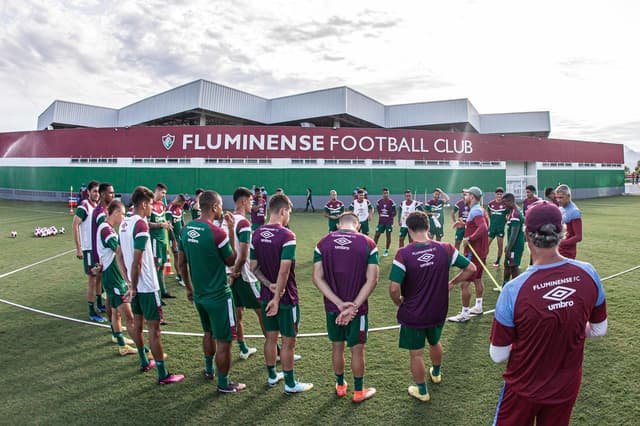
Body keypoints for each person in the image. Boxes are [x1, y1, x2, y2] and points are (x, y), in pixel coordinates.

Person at [490, 201, 607, 425]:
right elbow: (599, 329)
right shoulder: (588, 272)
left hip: (523, 389)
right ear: (562, 231)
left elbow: (498, 354)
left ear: (527, 234)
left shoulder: (514, 289)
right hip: (567, 386)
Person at [389, 211, 475, 402]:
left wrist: (398, 302)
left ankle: (422, 391)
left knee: (416, 353)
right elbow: (471, 268)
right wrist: (452, 283)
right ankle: (436, 373)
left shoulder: (403, 253)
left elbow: (394, 289)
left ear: (409, 229)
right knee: (435, 342)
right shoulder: (446, 248)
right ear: (428, 227)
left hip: (413, 313)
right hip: (438, 309)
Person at [178, 190, 247, 393]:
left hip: (199, 295)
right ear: (215, 207)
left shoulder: (186, 229)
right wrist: (232, 229)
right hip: (219, 295)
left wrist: (189, 288)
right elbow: (232, 260)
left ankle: (209, 370)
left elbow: (181, 264)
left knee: (208, 332)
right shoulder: (218, 233)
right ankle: (224, 383)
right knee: (224, 340)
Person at [119, 186, 184, 384]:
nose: (151, 208)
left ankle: (144, 361)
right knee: (154, 330)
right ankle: (163, 374)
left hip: (136, 285)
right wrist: (135, 285)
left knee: (137, 324)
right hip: (146, 286)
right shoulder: (140, 225)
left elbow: (119, 256)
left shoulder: (123, 224)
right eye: (150, 205)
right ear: (144, 204)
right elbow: (137, 261)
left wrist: (129, 283)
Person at [313, 212, 379, 403]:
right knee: (357, 350)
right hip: (358, 310)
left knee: (337, 347)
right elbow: (373, 279)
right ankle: (359, 392)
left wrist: (339, 304)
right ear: (357, 225)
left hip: (333, 308)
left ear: (338, 225)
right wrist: (353, 306)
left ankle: (341, 385)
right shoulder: (368, 243)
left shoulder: (322, 243)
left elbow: (317, 277)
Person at [250, 194, 313, 393]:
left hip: (266, 296)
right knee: (288, 341)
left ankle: (271, 377)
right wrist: (277, 297)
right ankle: (290, 384)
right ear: (283, 211)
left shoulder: (256, 233)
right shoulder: (287, 235)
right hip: (285, 299)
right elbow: (284, 270)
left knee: (270, 338)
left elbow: (253, 267)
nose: (289, 217)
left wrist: (269, 286)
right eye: (290, 213)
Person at [222, 187, 266, 360]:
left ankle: (243, 348)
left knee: (237, 311)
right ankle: (276, 351)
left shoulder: (225, 221)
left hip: (228, 273)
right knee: (262, 311)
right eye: (250, 201)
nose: (252, 204)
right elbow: (244, 254)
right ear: (242, 201)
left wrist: (230, 274)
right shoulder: (243, 223)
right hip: (244, 275)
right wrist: (236, 272)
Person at [95, 200, 139, 357]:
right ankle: (141, 351)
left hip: (113, 275)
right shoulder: (106, 230)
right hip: (113, 278)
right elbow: (117, 249)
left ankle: (119, 341)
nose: (124, 217)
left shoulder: (107, 228)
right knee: (129, 317)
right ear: (115, 213)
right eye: (123, 214)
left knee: (116, 313)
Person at [448, 186, 488, 322]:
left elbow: (483, 227)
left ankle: (465, 314)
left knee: (464, 283)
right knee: (477, 279)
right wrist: (464, 225)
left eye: (466, 195)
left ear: (471, 197)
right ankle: (478, 306)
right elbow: (477, 226)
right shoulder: (479, 209)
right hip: (481, 252)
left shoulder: (476, 210)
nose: (464, 197)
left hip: (474, 252)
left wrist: (469, 238)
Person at [72, 180, 105, 322]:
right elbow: (75, 225)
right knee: (92, 279)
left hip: (98, 248)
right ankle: (92, 311)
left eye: (98, 192)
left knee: (99, 277)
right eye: (94, 191)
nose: (97, 194)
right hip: (89, 249)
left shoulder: (97, 206)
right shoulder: (84, 206)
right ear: (89, 192)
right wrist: (79, 248)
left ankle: (99, 304)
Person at [91, 182, 116, 334]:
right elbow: (103, 234)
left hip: (103, 253)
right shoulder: (101, 213)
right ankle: (113, 326)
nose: (112, 195)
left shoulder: (104, 210)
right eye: (110, 193)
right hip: (102, 254)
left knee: (103, 284)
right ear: (102, 194)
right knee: (105, 286)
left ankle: (101, 305)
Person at [149, 183, 174, 301]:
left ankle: (163, 291)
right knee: (156, 266)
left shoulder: (161, 204)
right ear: (157, 191)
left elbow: (162, 219)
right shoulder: (149, 204)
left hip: (163, 240)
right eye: (162, 193)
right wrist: (160, 225)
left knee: (163, 264)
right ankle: (156, 294)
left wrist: (166, 224)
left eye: (165, 193)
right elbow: (147, 223)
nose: (164, 195)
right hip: (154, 241)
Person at [501, 193, 525, 284]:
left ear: (510, 201)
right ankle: (505, 285)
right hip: (513, 245)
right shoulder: (514, 211)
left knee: (514, 266)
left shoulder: (515, 214)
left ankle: (517, 288)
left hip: (515, 246)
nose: (503, 206)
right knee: (507, 264)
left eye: (504, 203)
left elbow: (514, 234)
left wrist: (509, 248)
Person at [555, 184, 582, 259]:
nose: (558, 200)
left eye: (561, 197)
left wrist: (561, 243)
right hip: (557, 250)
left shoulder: (574, 211)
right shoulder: (560, 208)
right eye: (557, 198)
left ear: (568, 196)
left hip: (568, 252)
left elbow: (578, 237)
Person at [166, 194, 186, 285]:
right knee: (177, 257)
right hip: (173, 238)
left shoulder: (180, 209)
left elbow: (182, 222)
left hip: (180, 237)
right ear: (179, 201)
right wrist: (173, 240)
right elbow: (169, 226)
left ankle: (179, 275)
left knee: (182, 257)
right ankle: (181, 277)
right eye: (182, 204)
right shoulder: (169, 208)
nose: (183, 206)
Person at [373, 188, 396, 257]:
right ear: (382, 194)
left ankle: (386, 250)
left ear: (388, 194)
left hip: (389, 223)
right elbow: (379, 210)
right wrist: (383, 216)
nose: (385, 194)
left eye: (387, 193)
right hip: (381, 222)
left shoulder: (392, 202)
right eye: (384, 193)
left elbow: (395, 213)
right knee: (376, 235)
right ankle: (373, 249)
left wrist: (390, 218)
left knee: (388, 236)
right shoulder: (379, 202)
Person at [487, 187, 507, 267]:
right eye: (497, 194)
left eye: (500, 194)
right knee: (486, 245)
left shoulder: (505, 205)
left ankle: (497, 261)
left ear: (502, 195)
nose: (499, 195)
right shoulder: (490, 204)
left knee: (500, 246)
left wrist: (503, 222)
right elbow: (489, 214)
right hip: (492, 229)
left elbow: (508, 216)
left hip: (500, 229)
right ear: (495, 194)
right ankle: (483, 259)